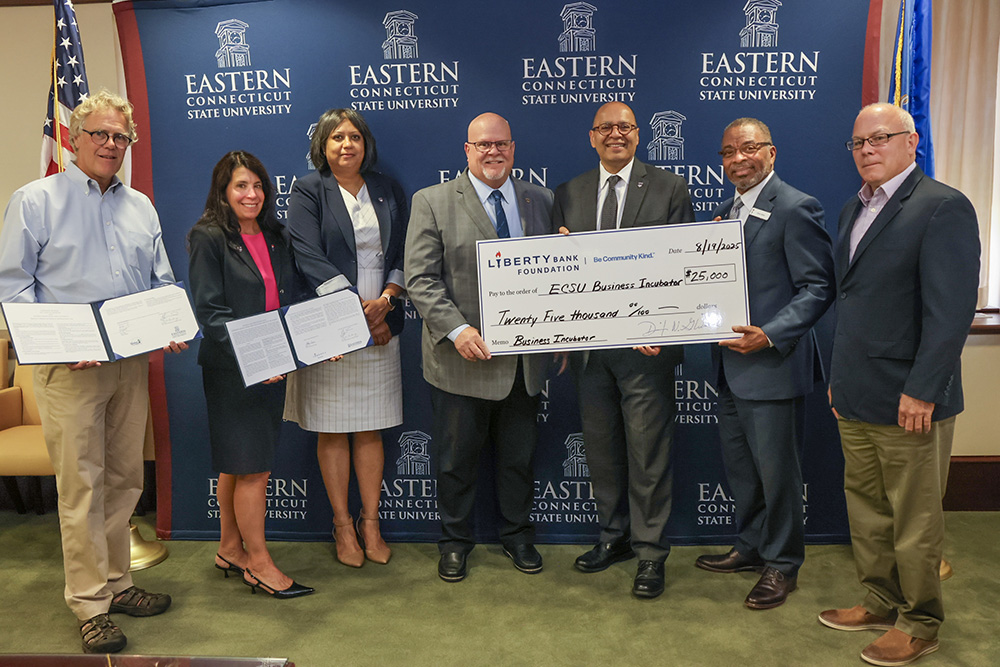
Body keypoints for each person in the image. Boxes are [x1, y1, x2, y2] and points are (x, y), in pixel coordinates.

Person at [0, 90, 186, 653]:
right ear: (74, 138)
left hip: (129, 363)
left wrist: (170, 319)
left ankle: (117, 582)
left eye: (121, 136)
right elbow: (14, 286)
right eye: (101, 134)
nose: (111, 144)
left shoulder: (141, 206)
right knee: (81, 486)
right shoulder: (34, 200)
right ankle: (88, 604)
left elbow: (160, 280)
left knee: (125, 478)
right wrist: (58, 343)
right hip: (68, 367)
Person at [820, 103, 980, 667]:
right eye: (859, 142)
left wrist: (924, 389)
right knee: (867, 508)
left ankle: (920, 622)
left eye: (880, 138)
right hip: (858, 390)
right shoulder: (851, 211)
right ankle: (881, 600)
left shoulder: (942, 207)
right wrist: (839, 380)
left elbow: (951, 311)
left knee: (914, 519)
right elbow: (853, 304)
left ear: (912, 143)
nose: (867, 149)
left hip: (912, 398)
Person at [552, 101, 693, 599]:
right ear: (592, 137)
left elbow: (681, 262)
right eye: (606, 128)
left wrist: (667, 327)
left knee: (647, 453)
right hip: (590, 352)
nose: (616, 134)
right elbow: (556, 275)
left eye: (626, 127)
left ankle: (650, 552)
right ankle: (613, 538)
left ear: (639, 136)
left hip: (645, 349)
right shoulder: (567, 192)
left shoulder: (669, 187)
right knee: (603, 451)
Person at [405, 112, 554, 582]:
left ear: (513, 148)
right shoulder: (431, 201)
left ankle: (517, 535)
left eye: (502, 144)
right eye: (483, 145)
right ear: (466, 150)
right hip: (460, 359)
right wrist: (457, 330)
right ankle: (454, 542)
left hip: (523, 363)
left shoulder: (541, 199)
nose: (493, 152)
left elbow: (560, 274)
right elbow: (421, 280)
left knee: (518, 459)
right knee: (454, 461)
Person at [694, 118, 834, 610]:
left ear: (771, 153)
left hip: (773, 366)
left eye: (749, 149)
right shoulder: (724, 213)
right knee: (744, 471)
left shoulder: (796, 207)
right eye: (728, 151)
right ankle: (752, 546)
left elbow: (818, 287)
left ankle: (782, 564)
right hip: (730, 369)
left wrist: (771, 334)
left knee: (778, 475)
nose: (738, 159)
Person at [187, 151, 314, 599]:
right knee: (252, 469)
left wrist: (318, 340)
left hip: (273, 364)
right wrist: (258, 359)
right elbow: (210, 312)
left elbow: (291, 297)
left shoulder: (275, 234)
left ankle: (229, 548)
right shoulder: (208, 237)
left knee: (238, 466)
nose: (252, 194)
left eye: (258, 185)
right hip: (233, 370)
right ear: (224, 190)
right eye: (241, 186)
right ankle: (258, 563)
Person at [284, 109, 405, 567]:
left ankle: (370, 522)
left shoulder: (387, 189)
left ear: (365, 143)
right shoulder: (308, 189)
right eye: (337, 138)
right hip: (330, 321)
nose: (346, 145)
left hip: (382, 319)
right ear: (323, 146)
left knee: (369, 425)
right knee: (333, 429)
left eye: (354, 136)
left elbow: (403, 250)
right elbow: (306, 254)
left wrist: (388, 301)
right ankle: (341, 525)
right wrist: (353, 311)